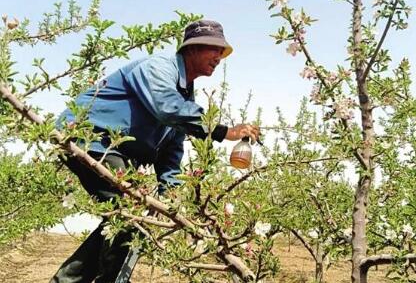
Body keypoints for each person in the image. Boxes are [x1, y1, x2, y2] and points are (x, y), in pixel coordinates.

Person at [51, 19, 260, 283]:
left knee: (128, 218)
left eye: (222, 52)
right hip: (88, 137)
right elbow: (166, 107)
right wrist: (223, 131)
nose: (219, 57)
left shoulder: (186, 101)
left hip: (112, 152)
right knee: (132, 215)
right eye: (213, 49)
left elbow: (170, 156)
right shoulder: (158, 68)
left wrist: (168, 199)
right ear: (191, 48)